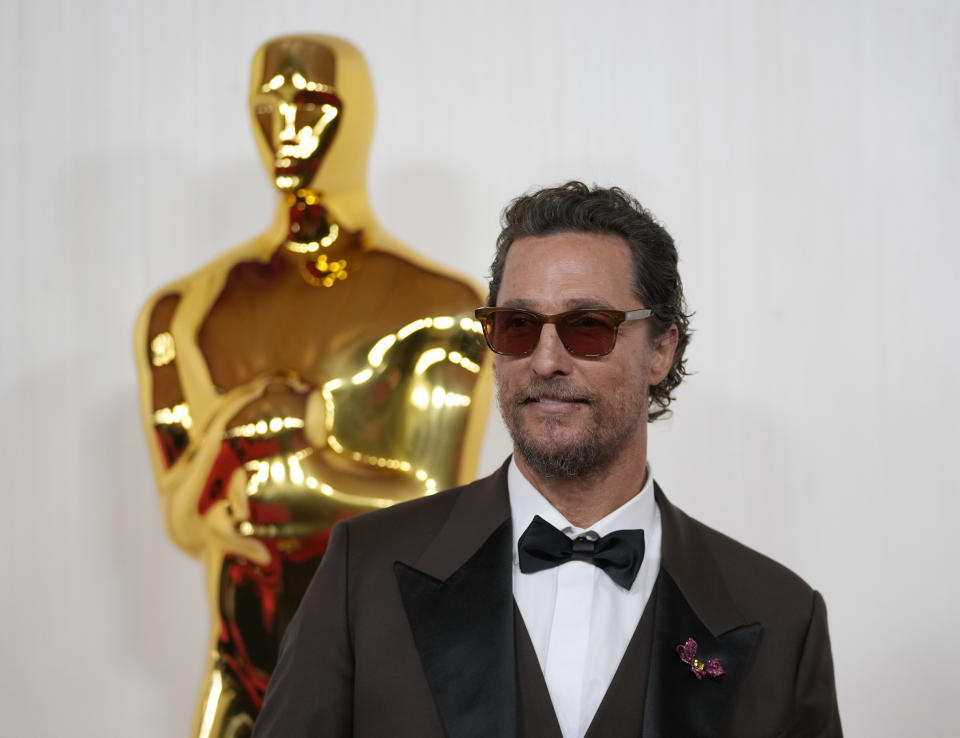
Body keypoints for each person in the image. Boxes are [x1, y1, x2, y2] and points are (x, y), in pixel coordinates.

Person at [252, 182, 842, 737]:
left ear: (661, 350)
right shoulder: (364, 575)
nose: (545, 360)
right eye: (518, 326)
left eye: (588, 327)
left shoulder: (782, 620)